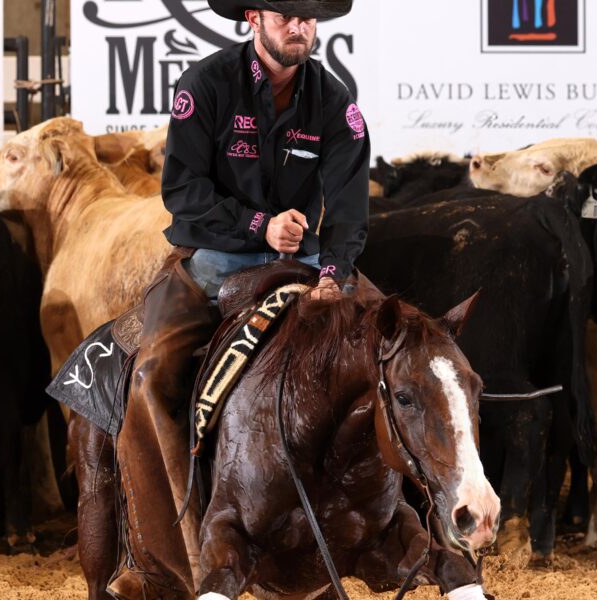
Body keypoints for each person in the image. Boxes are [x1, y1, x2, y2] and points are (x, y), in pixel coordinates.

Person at [108, 0, 368, 597]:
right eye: (285, 15)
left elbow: (351, 202)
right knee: (151, 373)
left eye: (308, 17)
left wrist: (335, 270)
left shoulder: (334, 103)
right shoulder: (206, 85)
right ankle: (164, 555)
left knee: (390, 355)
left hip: (307, 261)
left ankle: (390, 526)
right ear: (254, 18)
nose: (299, 27)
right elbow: (183, 192)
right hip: (215, 258)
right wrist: (259, 227)